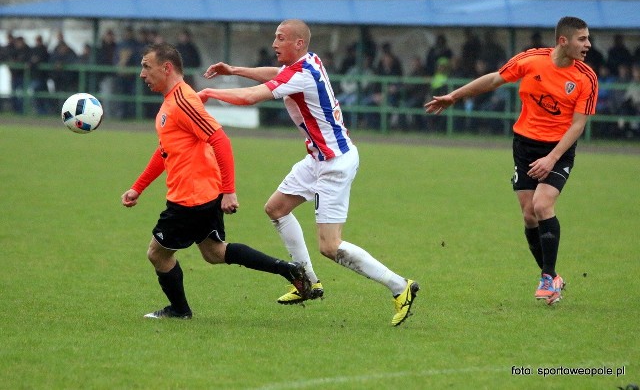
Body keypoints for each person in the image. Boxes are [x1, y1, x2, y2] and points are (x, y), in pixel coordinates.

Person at [197, 19, 419, 326]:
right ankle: (307, 281)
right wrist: (234, 70)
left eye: (280, 38)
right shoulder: (308, 62)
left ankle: (400, 286)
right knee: (276, 208)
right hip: (317, 159)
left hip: (334, 164)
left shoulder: (302, 74)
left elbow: (249, 98)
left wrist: (210, 93)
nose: (274, 43)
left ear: (298, 43)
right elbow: (274, 74)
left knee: (330, 246)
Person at [121, 42, 312, 319]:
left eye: (146, 67)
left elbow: (220, 139)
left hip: (190, 198)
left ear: (167, 68)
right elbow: (166, 150)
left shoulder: (183, 101)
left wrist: (229, 191)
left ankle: (179, 310)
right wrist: (138, 187)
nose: (142, 74)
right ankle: (289, 269)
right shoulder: (172, 101)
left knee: (157, 254)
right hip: (200, 193)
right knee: (214, 252)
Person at [425, 16, 598, 306]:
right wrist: (454, 96)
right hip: (525, 145)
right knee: (529, 214)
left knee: (543, 205)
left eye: (588, 39)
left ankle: (548, 277)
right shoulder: (531, 60)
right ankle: (551, 277)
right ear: (563, 41)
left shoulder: (586, 78)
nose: (588, 45)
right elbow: (494, 79)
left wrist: (552, 158)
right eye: (582, 39)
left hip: (558, 149)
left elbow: (578, 125)